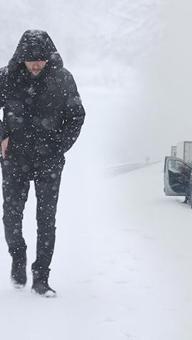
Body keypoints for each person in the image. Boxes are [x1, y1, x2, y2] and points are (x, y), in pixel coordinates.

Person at [0, 30, 85, 297]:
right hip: (14, 159)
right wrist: (2, 135)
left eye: (41, 59)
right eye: (30, 59)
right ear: (21, 57)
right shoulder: (6, 77)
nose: (36, 64)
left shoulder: (63, 79)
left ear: (49, 56)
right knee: (12, 216)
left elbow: (76, 116)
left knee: (46, 219)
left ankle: (41, 277)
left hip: (49, 161)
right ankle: (18, 256)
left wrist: (59, 147)